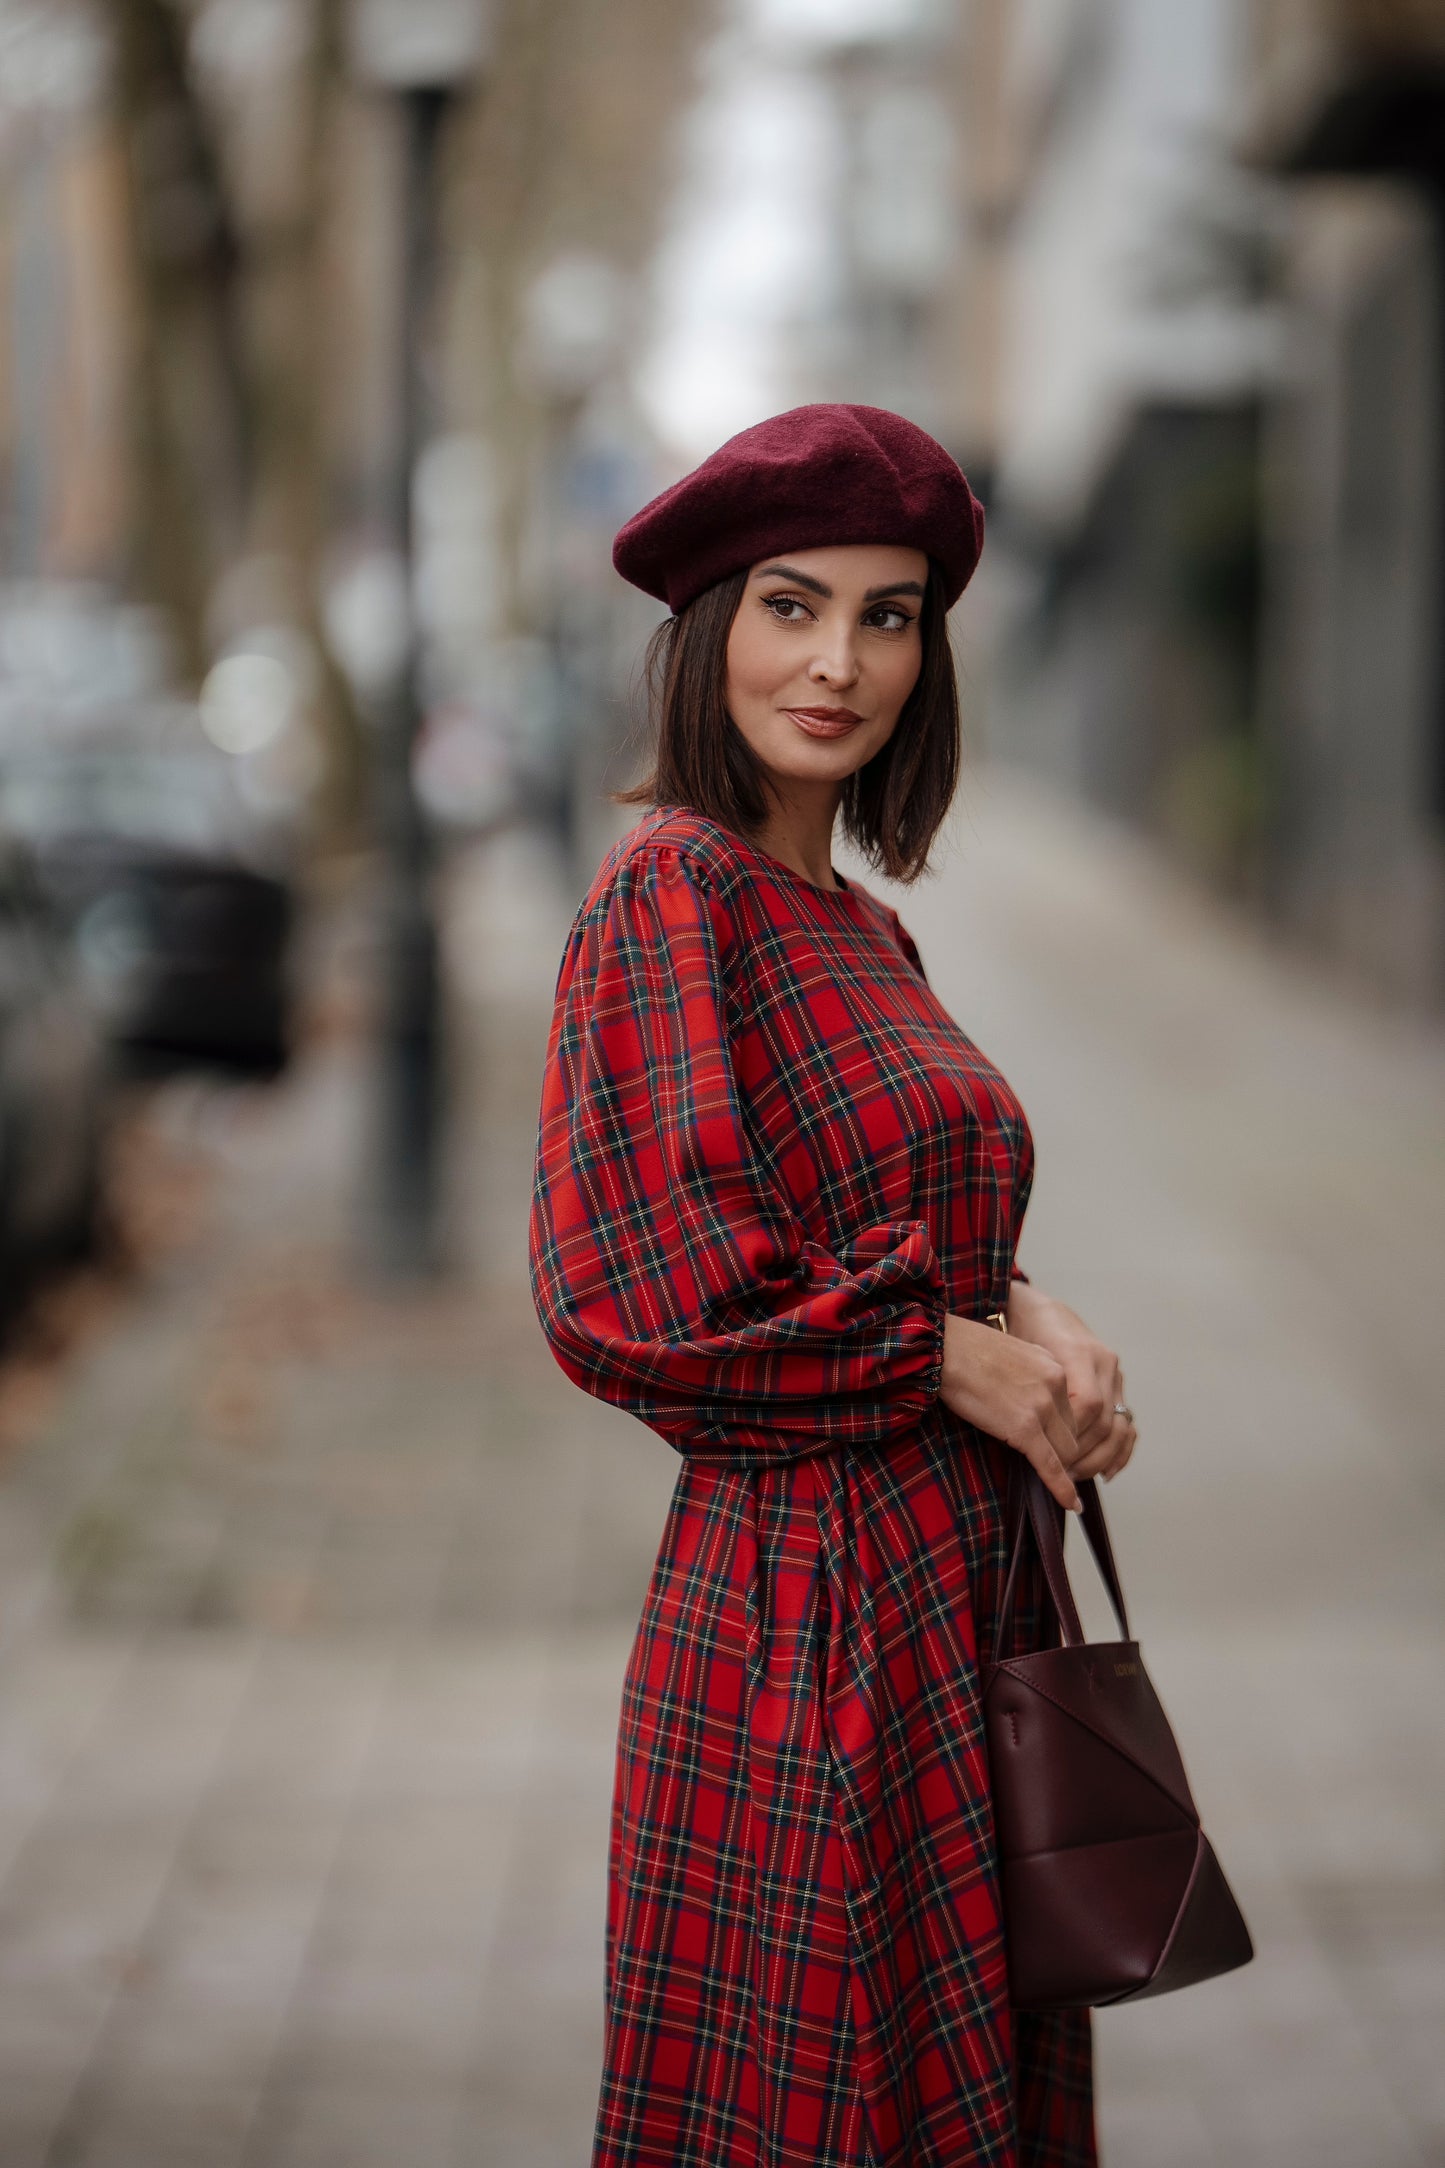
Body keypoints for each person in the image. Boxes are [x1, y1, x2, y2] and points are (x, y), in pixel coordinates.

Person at [528, 404, 1137, 2168]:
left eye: (889, 616)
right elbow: (634, 1297)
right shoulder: (666, 900)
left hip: (967, 1603)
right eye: (792, 605)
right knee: (824, 2111)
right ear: (711, 626)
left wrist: (1032, 1315)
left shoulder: (863, 926)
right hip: (807, 1617)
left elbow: (883, 1208)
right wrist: (945, 1360)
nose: (839, 661)